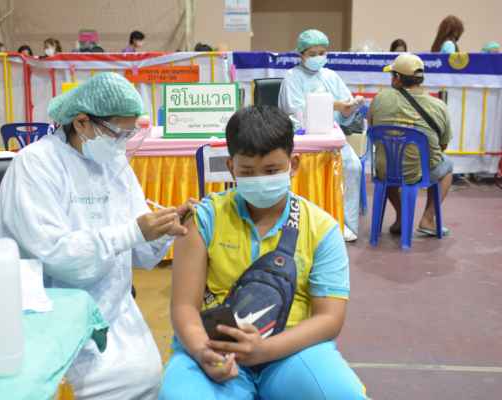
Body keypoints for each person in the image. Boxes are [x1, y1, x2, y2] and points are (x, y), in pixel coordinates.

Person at [0, 72, 193, 399]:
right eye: (117, 133)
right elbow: (56, 254)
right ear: (82, 122)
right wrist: (132, 232)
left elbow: (141, 255)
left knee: (148, 377)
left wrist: (163, 230)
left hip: (113, 309)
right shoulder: (36, 164)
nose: (122, 143)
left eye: (130, 133)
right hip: (49, 315)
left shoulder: (113, 163)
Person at [159, 105, 367, 400]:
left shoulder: (322, 228)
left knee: (343, 395)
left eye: (271, 171)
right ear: (231, 167)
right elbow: (184, 307)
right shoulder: (203, 219)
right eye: (247, 171)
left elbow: (329, 319)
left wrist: (265, 350)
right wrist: (203, 351)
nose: (259, 179)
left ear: (294, 164)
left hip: (291, 350)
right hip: (214, 346)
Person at [278, 29, 363, 242]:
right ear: (301, 54)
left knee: (352, 166)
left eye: (322, 53)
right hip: (302, 140)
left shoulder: (331, 76)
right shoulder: (292, 77)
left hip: (331, 138)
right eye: (312, 53)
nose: (318, 57)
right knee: (306, 168)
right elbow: (295, 110)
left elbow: (344, 115)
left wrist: (349, 109)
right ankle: (305, 222)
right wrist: (335, 105)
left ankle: (344, 223)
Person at [368, 53, 453, 236]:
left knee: (390, 162)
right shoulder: (439, 106)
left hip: (385, 170)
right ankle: (427, 219)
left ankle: (401, 217)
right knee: (447, 165)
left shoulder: (379, 99)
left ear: (397, 78)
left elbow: (372, 130)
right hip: (419, 172)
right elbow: (442, 145)